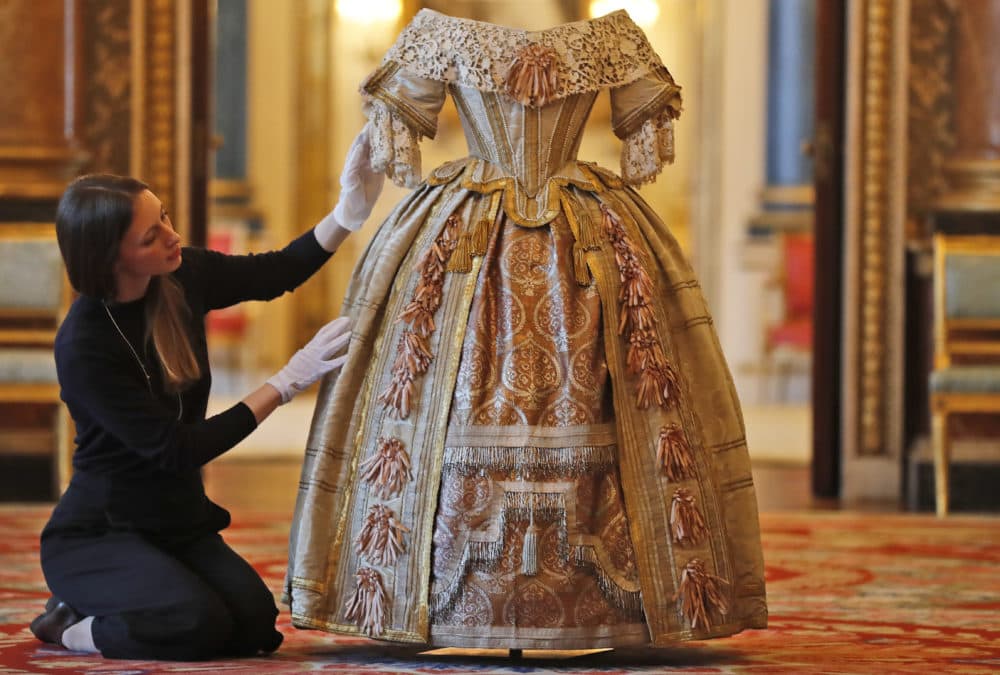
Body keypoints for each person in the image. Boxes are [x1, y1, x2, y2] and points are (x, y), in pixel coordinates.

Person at [285, 8, 767, 650]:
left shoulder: (456, 35)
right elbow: (645, 139)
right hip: (543, 228)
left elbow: (394, 133)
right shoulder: (601, 38)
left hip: (483, 224)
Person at [29, 129, 384, 661]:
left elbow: (275, 273)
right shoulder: (85, 343)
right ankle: (71, 627)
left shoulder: (181, 274)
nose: (171, 236)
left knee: (253, 628)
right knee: (192, 622)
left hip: (174, 521)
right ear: (112, 258)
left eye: (165, 218)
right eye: (151, 236)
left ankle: (123, 603)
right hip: (100, 532)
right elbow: (177, 450)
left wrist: (347, 214)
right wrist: (284, 384)